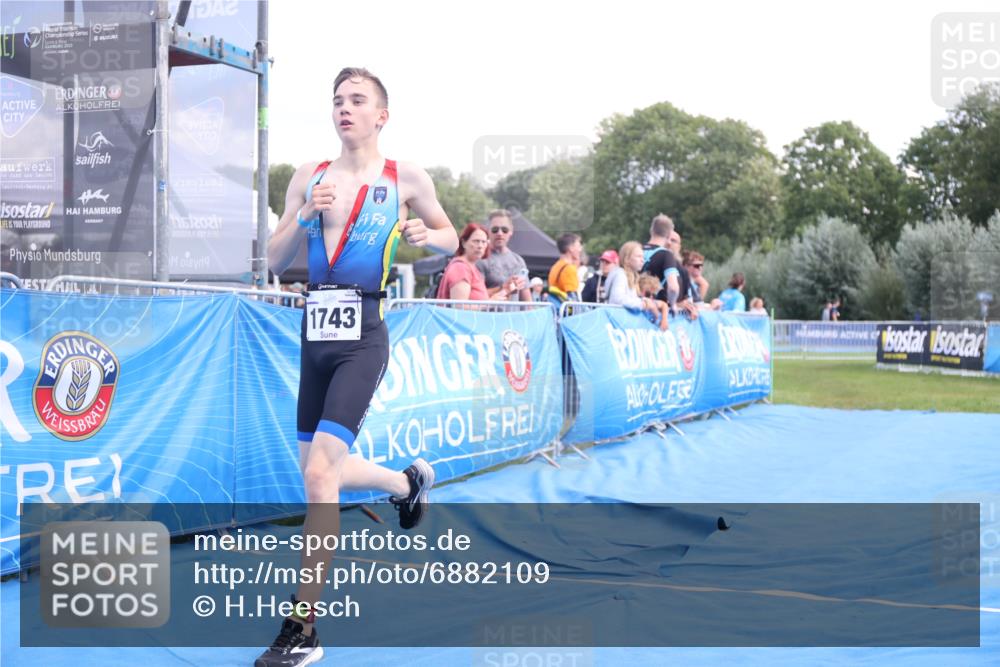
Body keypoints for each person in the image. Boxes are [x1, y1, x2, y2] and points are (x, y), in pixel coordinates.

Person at [262, 67, 459, 667]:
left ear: (381, 116)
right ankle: (407, 484)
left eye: (357, 100)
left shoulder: (405, 179)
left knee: (321, 476)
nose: (344, 109)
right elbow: (272, 258)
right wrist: (300, 219)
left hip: (362, 337)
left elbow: (451, 235)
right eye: (337, 101)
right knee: (317, 471)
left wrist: (431, 234)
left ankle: (303, 628)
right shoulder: (309, 177)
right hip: (314, 332)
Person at [438, 223, 519, 303]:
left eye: (484, 242)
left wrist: (504, 289)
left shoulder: (471, 267)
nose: (480, 246)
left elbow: (479, 297)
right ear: (464, 243)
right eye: (476, 241)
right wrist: (490, 302)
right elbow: (460, 307)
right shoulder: (460, 268)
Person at [605, 241, 669, 330]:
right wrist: (643, 304)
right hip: (614, 324)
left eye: (643, 257)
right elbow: (617, 299)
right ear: (627, 259)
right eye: (638, 256)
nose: (642, 260)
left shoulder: (631, 276)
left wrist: (647, 302)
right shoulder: (620, 274)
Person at [476, 209, 531, 301]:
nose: (500, 233)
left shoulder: (519, 261)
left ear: (511, 231)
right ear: (488, 231)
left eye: (504, 230)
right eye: (495, 229)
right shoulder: (480, 258)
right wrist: (503, 288)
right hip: (489, 315)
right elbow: (475, 297)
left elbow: (527, 300)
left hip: (513, 315)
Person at [640, 214, 681, 313]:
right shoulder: (666, 255)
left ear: (651, 230)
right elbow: (673, 288)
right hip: (653, 313)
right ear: (669, 234)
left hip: (631, 309)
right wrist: (672, 304)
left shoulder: (636, 249)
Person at [547, 233, 583, 304]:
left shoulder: (555, 266)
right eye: (578, 246)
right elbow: (572, 299)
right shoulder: (569, 269)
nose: (580, 249)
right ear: (571, 248)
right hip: (567, 312)